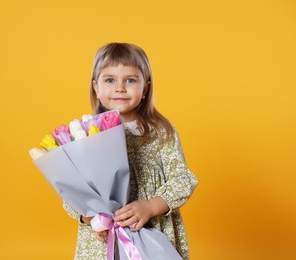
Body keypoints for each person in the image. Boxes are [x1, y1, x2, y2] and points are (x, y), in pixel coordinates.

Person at [63, 42, 198, 259]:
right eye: (109, 80)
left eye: (131, 80)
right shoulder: (85, 135)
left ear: (145, 88)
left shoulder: (160, 132)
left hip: (151, 233)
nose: (120, 88)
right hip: (102, 241)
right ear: (96, 88)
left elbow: (182, 179)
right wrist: (91, 219)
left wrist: (151, 206)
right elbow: (71, 193)